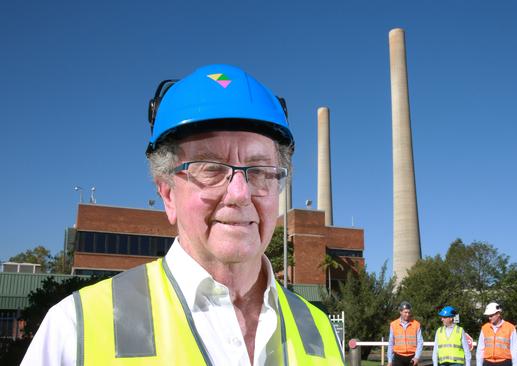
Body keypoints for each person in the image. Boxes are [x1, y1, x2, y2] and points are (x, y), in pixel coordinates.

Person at [21, 64, 344, 365]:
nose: (240, 193)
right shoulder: (75, 330)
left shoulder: (319, 333)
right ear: (167, 194)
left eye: (259, 170)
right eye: (211, 169)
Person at [387, 301, 423, 366]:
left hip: (412, 357)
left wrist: (416, 357)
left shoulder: (416, 324)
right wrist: (390, 361)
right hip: (398, 357)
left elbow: (420, 342)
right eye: (405, 312)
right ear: (400, 312)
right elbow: (391, 343)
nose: (407, 314)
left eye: (409, 312)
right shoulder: (393, 324)